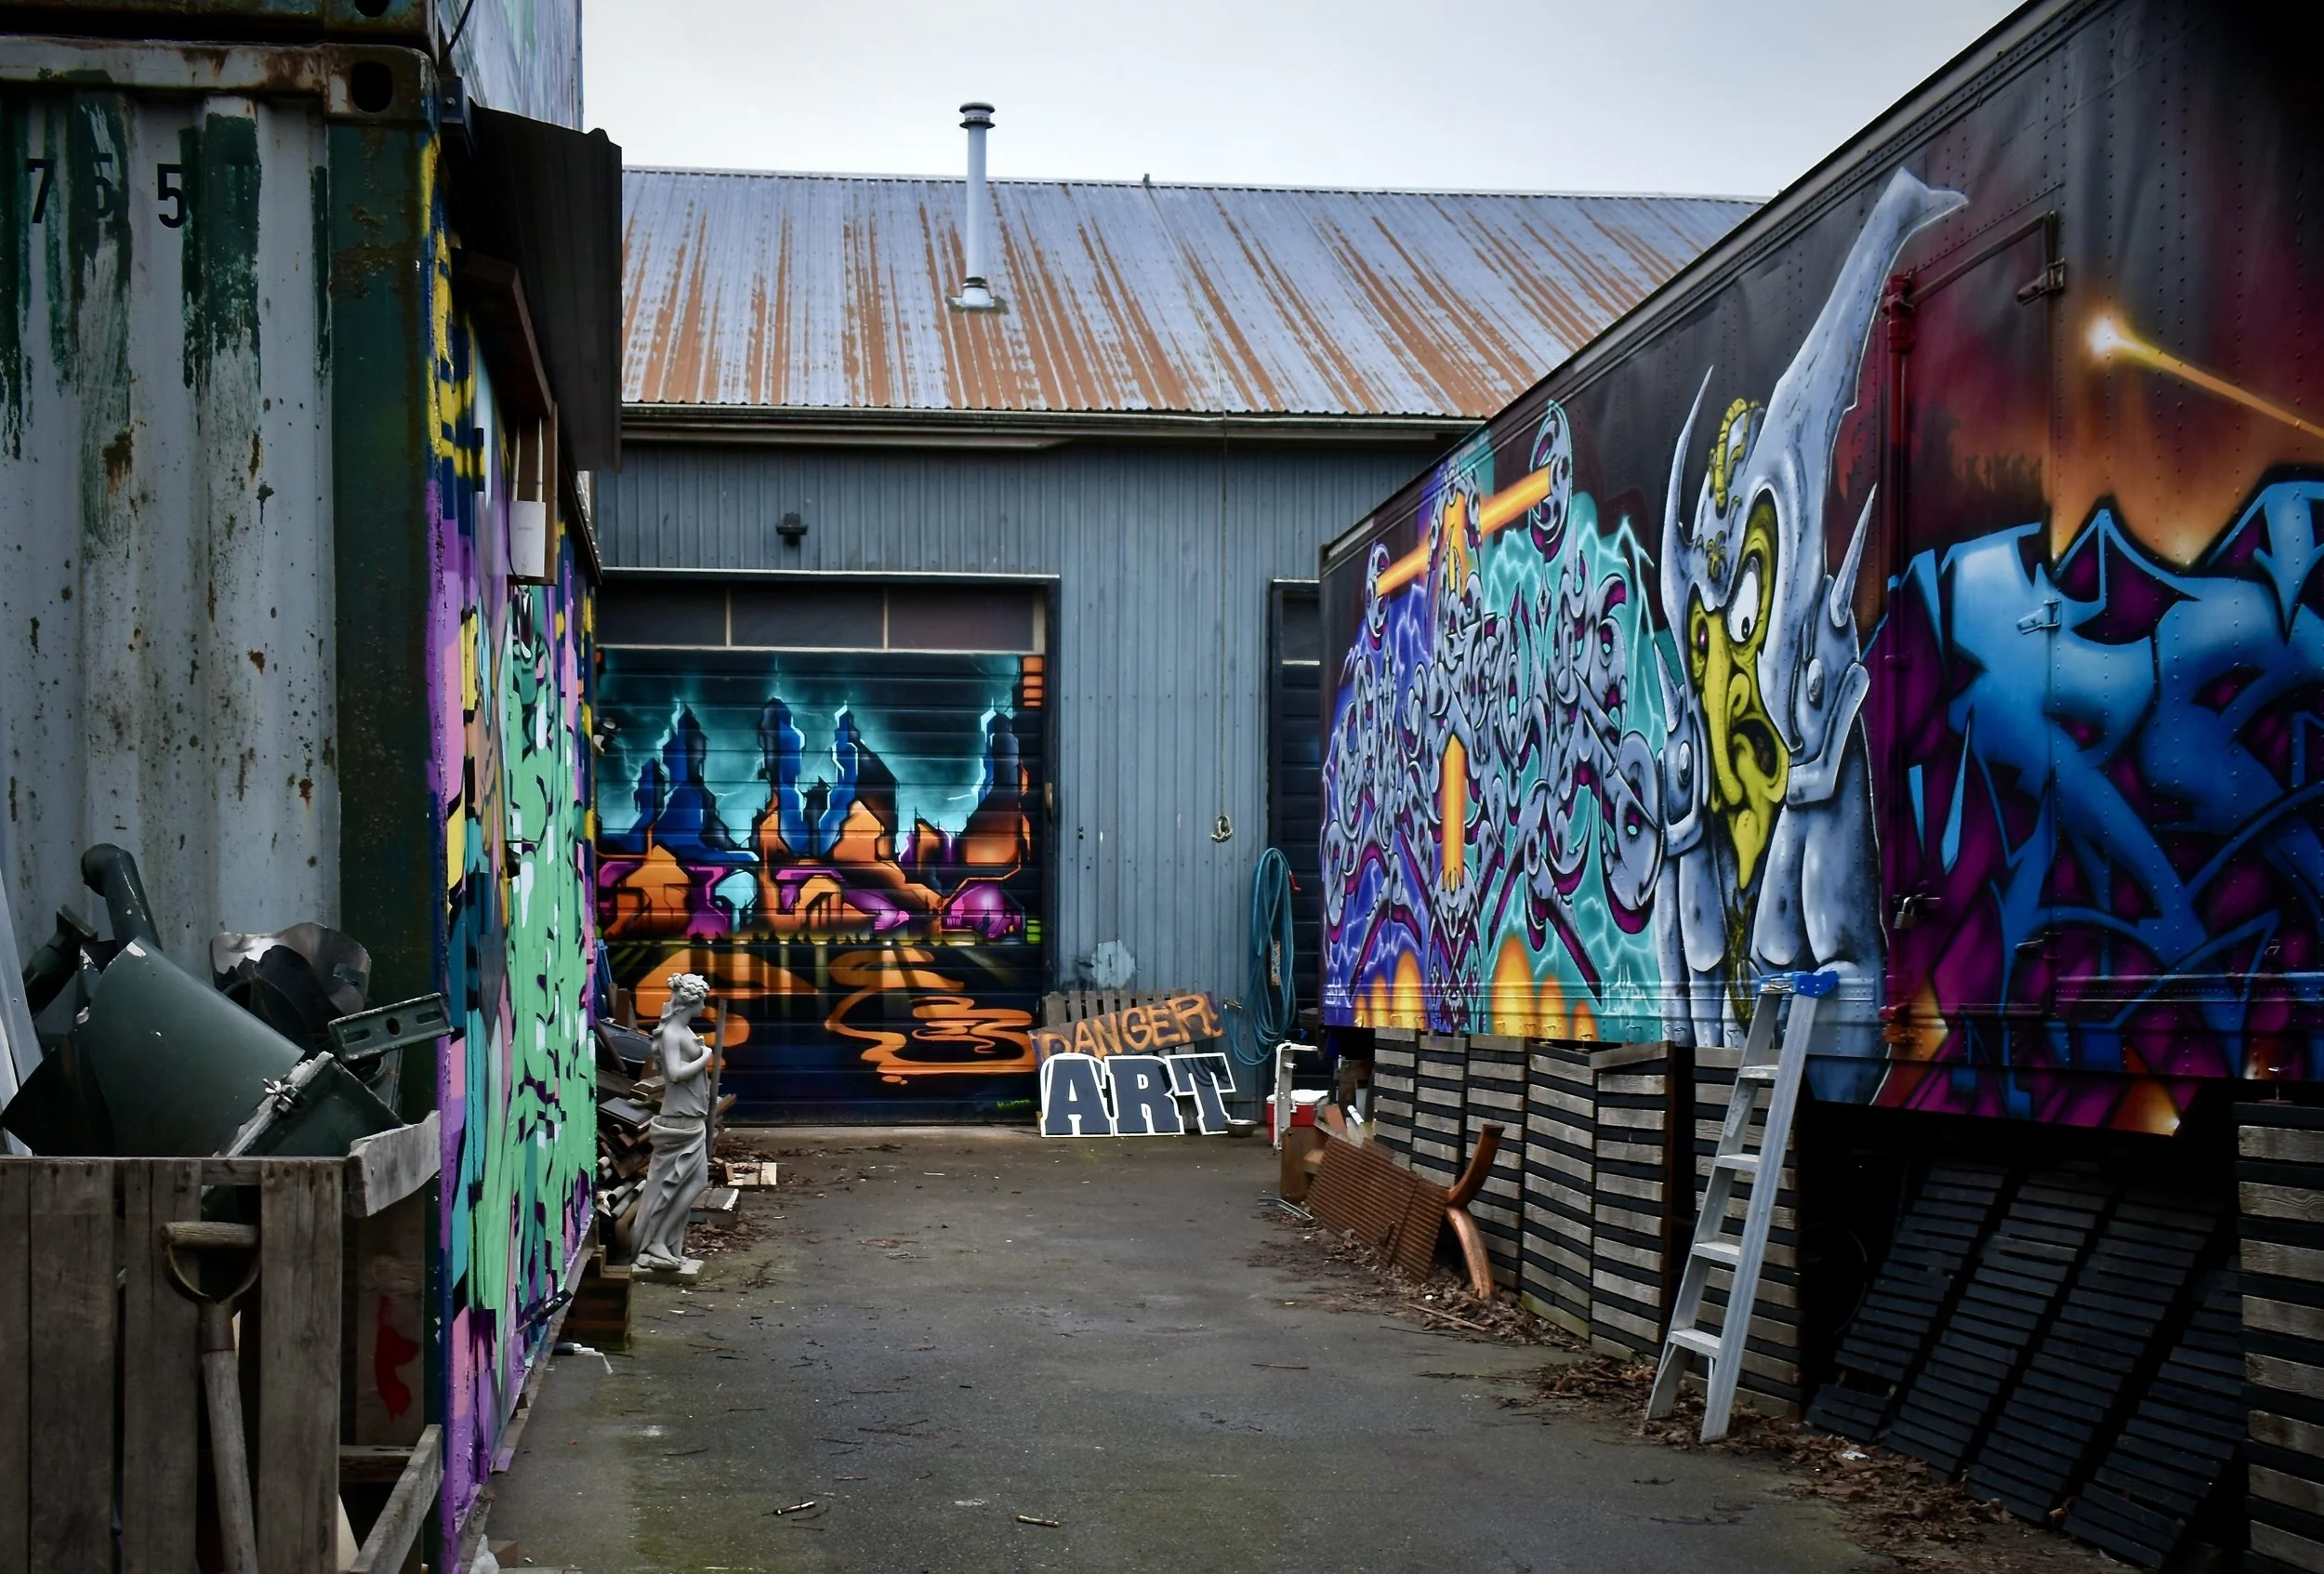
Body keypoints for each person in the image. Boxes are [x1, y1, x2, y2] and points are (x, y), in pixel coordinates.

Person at [629, 973, 714, 1271]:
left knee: (695, 1181)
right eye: (702, 999)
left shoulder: (682, 1029)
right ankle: (655, 1243)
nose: (705, 1005)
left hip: (691, 1117)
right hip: (678, 1122)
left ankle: (662, 1242)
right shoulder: (671, 1035)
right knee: (670, 1185)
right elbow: (675, 1074)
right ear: (690, 1001)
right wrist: (706, 1055)